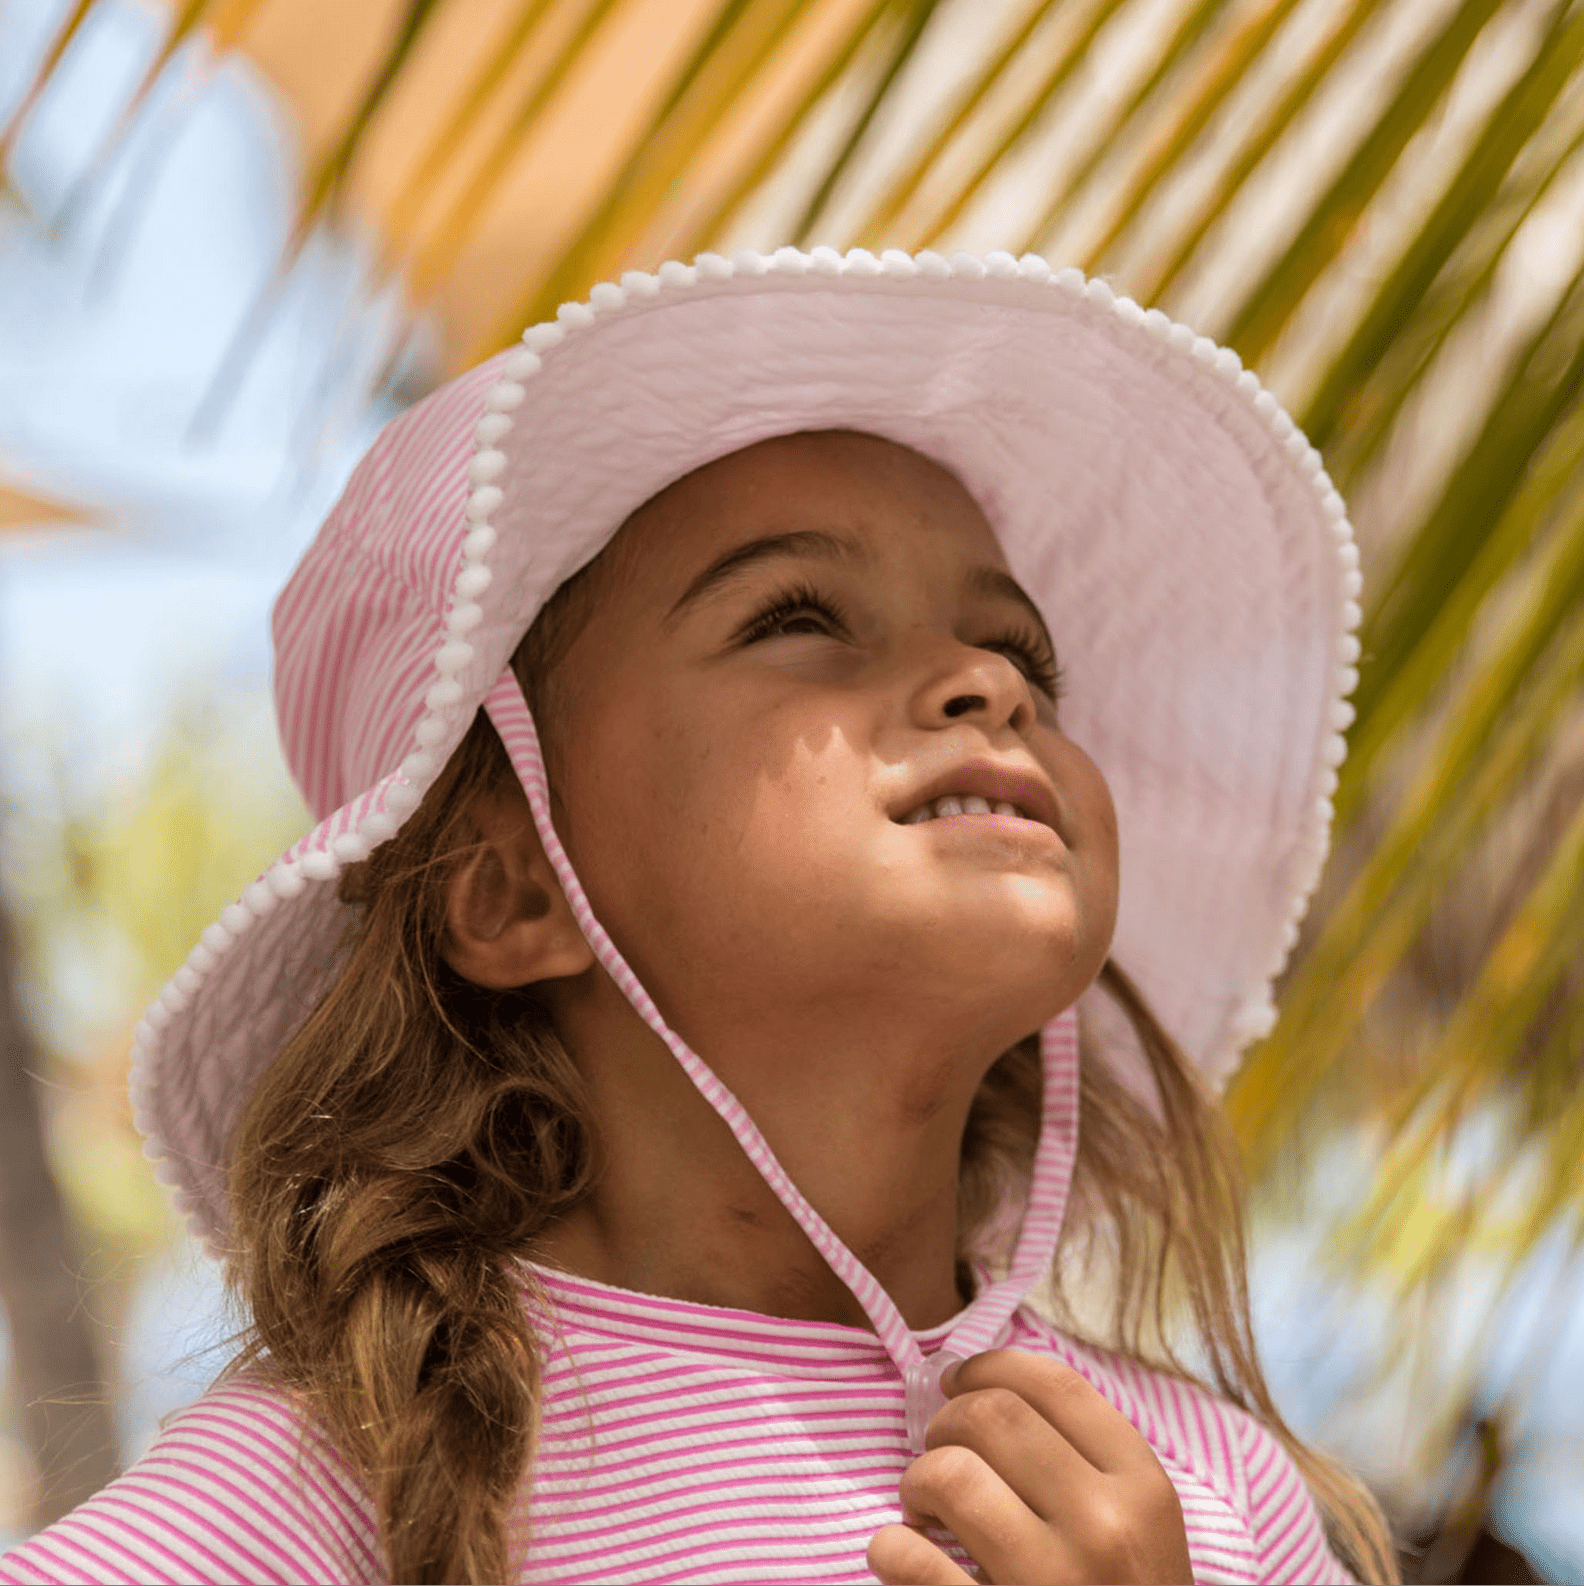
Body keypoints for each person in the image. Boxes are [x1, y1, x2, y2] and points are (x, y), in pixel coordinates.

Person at [0, 246, 1397, 1586]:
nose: (989, 679)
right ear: (509, 889)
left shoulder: (1207, 1493)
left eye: (1019, 646)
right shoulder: (354, 1481)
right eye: (800, 614)